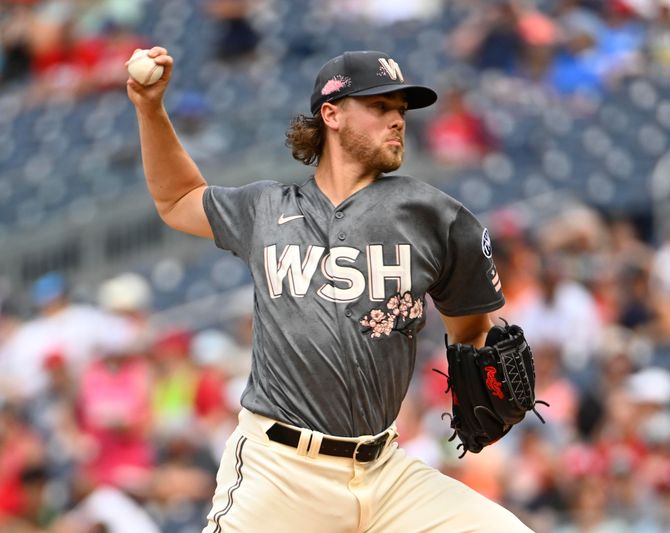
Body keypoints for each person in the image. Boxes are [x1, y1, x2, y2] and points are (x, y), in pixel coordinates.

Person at [126, 47, 533, 531]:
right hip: (281, 472)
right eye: (380, 107)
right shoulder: (266, 209)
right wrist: (149, 109)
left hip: (386, 473)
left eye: (401, 111)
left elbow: (471, 332)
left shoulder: (435, 218)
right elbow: (177, 199)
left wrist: (485, 370)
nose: (397, 121)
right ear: (331, 114)